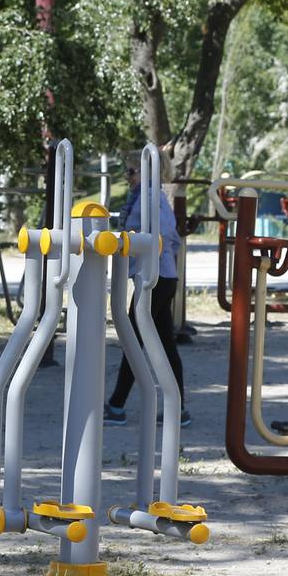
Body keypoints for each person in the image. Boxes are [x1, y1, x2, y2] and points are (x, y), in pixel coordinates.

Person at [104, 160, 188, 427]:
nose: (128, 176)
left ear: (147, 171)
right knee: (163, 345)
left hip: (155, 278)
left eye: (132, 171)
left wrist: (138, 252)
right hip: (157, 276)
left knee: (132, 338)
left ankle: (117, 405)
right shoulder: (145, 196)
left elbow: (162, 235)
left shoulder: (151, 197)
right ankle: (179, 409)